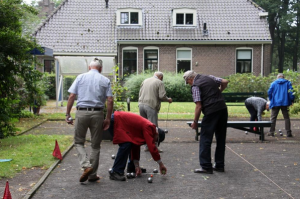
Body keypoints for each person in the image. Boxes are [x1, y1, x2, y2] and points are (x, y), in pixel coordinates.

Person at [65, 58, 113, 182]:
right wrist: (107, 118)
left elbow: (71, 96)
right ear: (100, 69)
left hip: (81, 112)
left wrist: (67, 114)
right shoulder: (105, 80)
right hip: (97, 114)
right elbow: (110, 100)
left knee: (78, 142)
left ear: (89, 67)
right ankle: (92, 175)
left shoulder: (80, 77)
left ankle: (86, 166)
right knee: (95, 146)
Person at [183, 70, 228, 174]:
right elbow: (225, 81)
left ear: (190, 79)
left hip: (211, 111)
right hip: (222, 108)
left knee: (205, 139)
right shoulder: (210, 77)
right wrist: (220, 91)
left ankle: (206, 166)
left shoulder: (195, 86)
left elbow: (199, 106)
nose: (189, 84)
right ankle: (220, 165)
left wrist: (195, 122)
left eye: (188, 82)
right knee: (221, 138)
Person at [107, 111, 167, 181]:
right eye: (156, 140)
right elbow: (152, 148)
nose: (155, 142)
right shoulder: (149, 127)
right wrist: (161, 164)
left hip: (119, 121)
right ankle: (116, 171)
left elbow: (135, 145)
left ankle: (131, 167)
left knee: (129, 143)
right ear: (157, 134)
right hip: (117, 120)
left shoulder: (148, 128)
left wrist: (136, 166)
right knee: (126, 144)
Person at [138, 71, 172, 152]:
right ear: (160, 77)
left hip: (141, 105)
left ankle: (146, 146)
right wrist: (168, 99)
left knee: (144, 127)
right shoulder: (159, 82)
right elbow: (162, 96)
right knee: (153, 127)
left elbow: (139, 93)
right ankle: (153, 147)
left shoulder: (145, 80)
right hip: (151, 105)